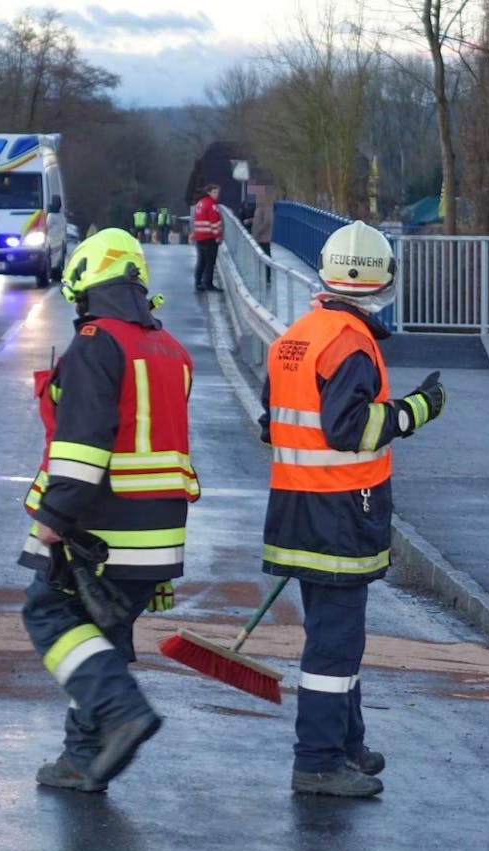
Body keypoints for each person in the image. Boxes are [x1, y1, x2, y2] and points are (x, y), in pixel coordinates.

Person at [260, 220, 447, 798]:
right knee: (334, 643)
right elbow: (351, 430)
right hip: (340, 511)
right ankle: (317, 760)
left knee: (336, 634)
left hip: (296, 507)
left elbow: (272, 423)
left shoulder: (297, 335)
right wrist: (418, 409)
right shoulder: (350, 344)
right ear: (383, 281)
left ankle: (346, 742)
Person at [17, 228, 200, 793]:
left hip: (101, 528)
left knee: (48, 616)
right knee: (102, 633)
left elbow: (83, 446)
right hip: (160, 533)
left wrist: (53, 517)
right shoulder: (171, 350)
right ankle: (83, 756)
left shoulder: (98, 344)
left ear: (86, 286)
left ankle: (122, 713)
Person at [192, 185, 224, 292]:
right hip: (209, 237)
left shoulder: (200, 203)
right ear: (209, 192)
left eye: (217, 192)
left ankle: (198, 282)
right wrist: (218, 236)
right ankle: (208, 284)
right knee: (210, 261)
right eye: (215, 192)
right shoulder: (212, 205)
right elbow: (214, 223)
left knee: (201, 260)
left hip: (199, 236)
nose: (217, 195)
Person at [251, 190, 275, 284]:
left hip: (263, 237)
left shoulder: (266, 207)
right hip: (259, 237)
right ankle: (263, 276)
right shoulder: (261, 207)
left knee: (266, 256)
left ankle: (267, 277)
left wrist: (258, 232)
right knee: (262, 256)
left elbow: (267, 221)